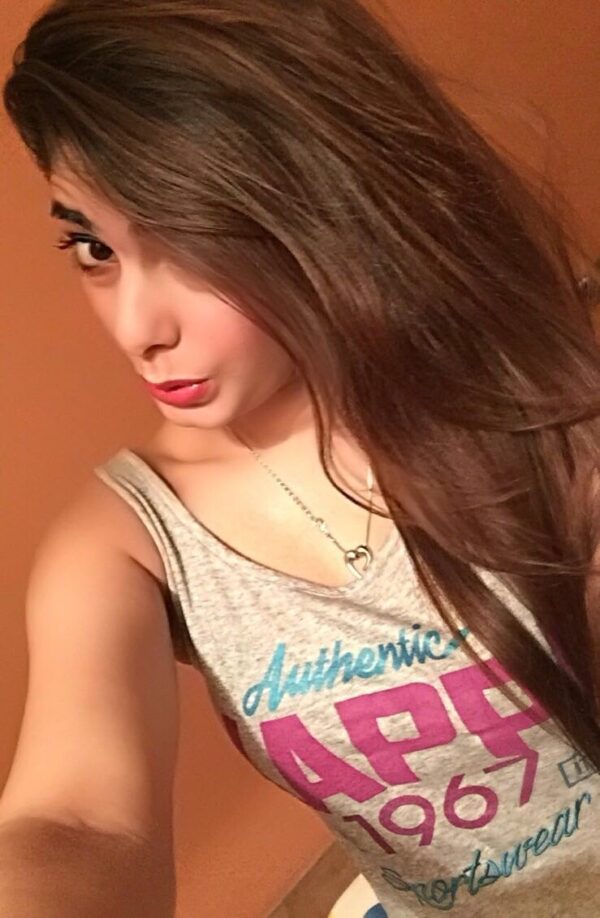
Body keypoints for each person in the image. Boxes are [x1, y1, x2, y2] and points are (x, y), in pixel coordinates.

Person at [2, 1, 600, 916]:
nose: (136, 328)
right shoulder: (130, 538)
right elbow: (78, 820)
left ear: (320, 203)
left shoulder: (541, 395)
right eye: (94, 248)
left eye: (190, 243)